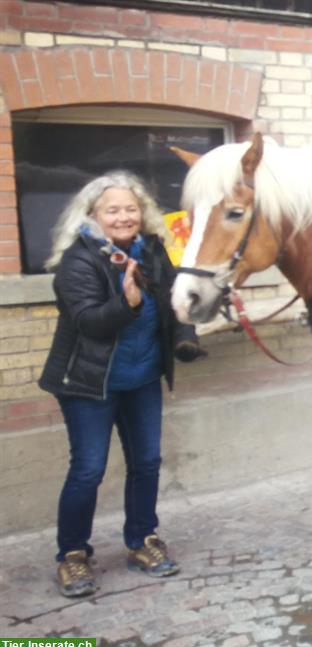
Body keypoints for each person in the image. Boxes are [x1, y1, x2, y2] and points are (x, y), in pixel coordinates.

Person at [39, 171, 206, 598]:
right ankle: (72, 555)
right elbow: (90, 322)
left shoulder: (152, 250)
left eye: (130, 208)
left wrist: (186, 336)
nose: (123, 216)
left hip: (142, 378)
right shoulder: (78, 260)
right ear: (93, 214)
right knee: (88, 470)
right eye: (112, 209)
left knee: (147, 462)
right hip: (87, 383)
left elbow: (174, 302)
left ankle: (142, 541)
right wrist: (127, 303)